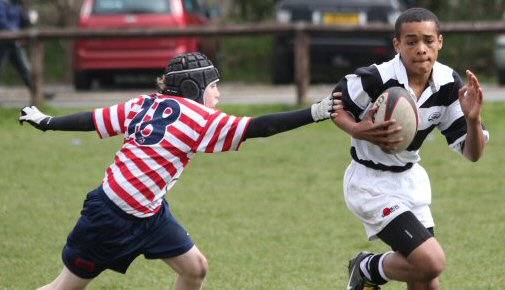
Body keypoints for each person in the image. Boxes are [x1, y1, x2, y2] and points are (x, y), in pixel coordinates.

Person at [19, 52, 341, 290]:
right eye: (214, 86)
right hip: (111, 215)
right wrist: (313, 113)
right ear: (195, 86)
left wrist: (48, 122)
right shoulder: (199, 119)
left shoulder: (144, 103)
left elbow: (92, 119)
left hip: (150, 212)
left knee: (195, 269)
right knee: (65, 287)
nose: (218, 95)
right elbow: (260, 127)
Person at [330, 7, 489, 290]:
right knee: (431, 262)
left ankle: (367, 268)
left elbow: (473, 153)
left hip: (410, 180)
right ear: (397, 44)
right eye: (411, 41)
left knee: (426, 279)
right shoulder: (376, 78)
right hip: (370, 183)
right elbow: (335, 105)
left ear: (440, 41)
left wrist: (473, 120)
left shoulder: (449, 83)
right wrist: (356, 128)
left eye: (428, 40)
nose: (421, 49)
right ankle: (366, 268)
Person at [0, 0, 52, 99]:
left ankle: (38, 93)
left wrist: (29, 21)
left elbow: (24, 22)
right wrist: (15, 33)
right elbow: (2, 22)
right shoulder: (2, 4)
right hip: (3, 42)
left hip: (15, 43)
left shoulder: (18, 5)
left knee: (25, 69)